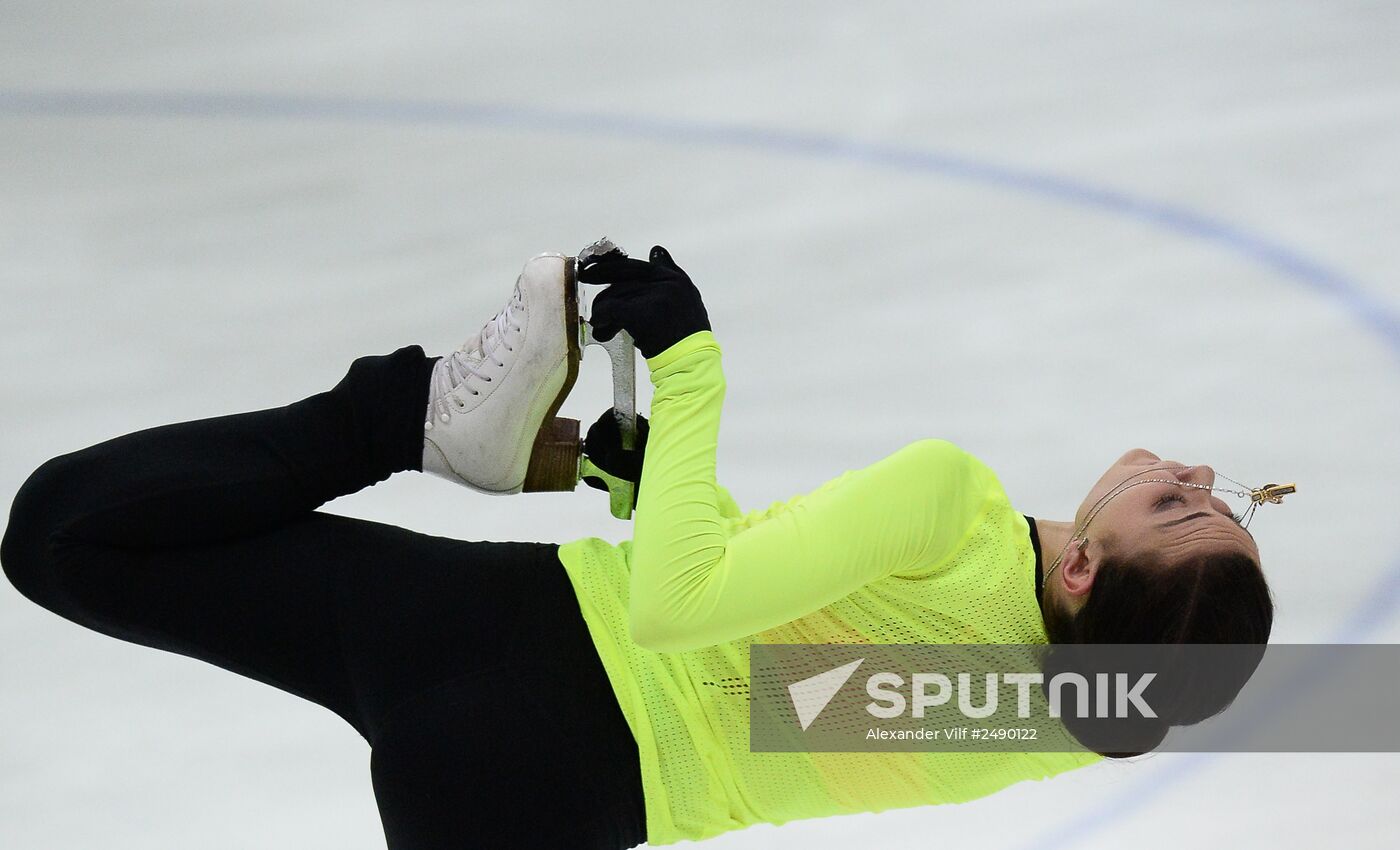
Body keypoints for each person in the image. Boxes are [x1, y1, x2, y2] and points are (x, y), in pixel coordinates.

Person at [1, 246, 1275, 849]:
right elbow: (761, 686)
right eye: (1227, 504)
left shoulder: (951, 504)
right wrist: (655, 477)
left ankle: (409, 415)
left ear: (1079, 569)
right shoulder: (1061, 716)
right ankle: (429, 424)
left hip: (495, 635)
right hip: (556, 800)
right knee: (68, 537)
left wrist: (691, 365)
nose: (1191, 473)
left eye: (1179, 508)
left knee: (71, 532)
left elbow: (674, 617)